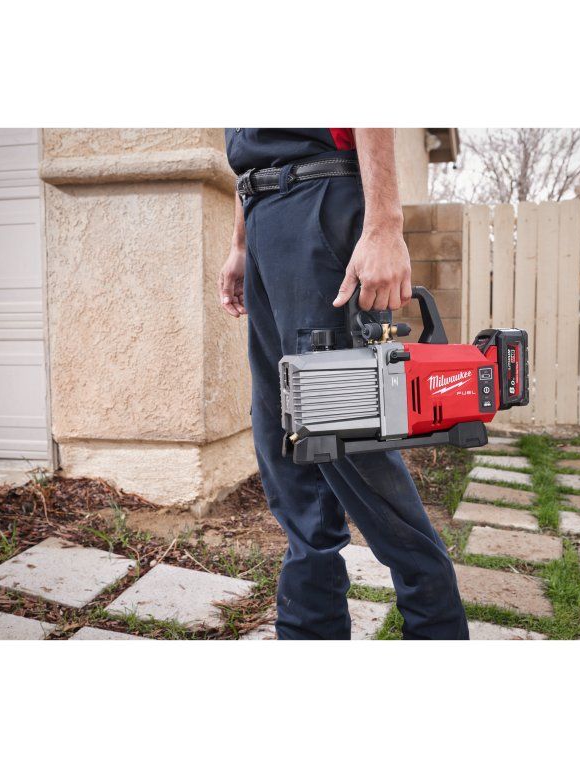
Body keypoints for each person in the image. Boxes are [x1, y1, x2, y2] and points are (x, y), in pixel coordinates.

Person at [218, 129, 468, 640]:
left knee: (350, 441)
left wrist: (385, 225)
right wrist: (241, 242)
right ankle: (310, 632)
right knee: (283, 442)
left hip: (319, 202)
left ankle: (436, 627)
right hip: (263, 214)